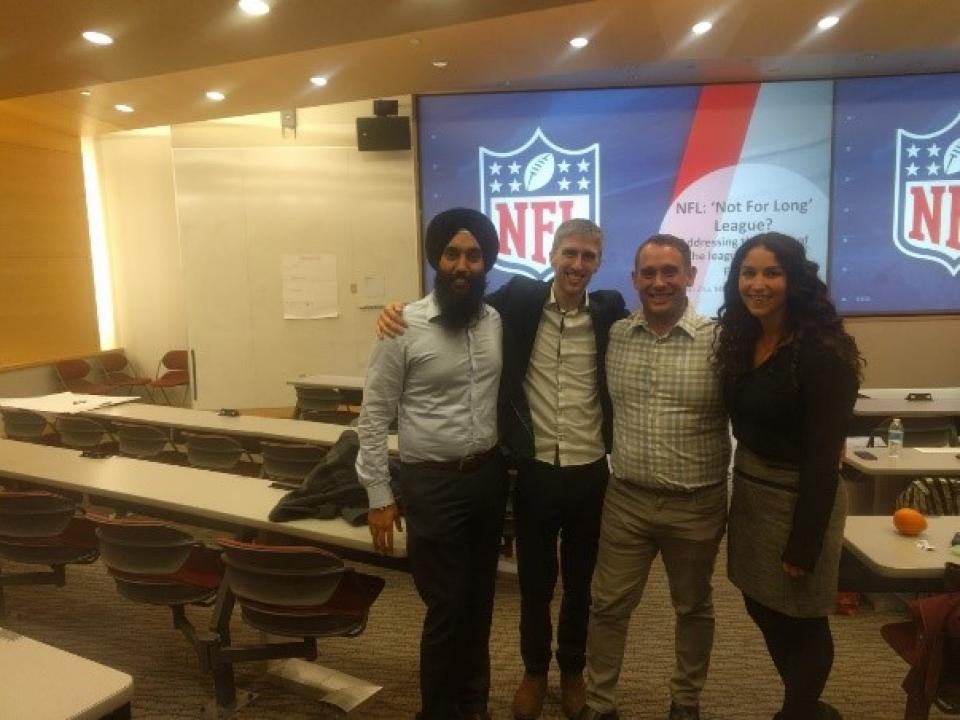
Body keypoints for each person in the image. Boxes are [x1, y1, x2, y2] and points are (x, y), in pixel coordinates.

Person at [378, 218, 627, 720]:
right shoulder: (517, 302)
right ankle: (535, 673)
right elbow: (455, 297)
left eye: (588, 257)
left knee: (582, 585)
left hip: (589, 471)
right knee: (535, 584)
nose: (577, 265)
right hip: (535, 470)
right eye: (569, 254)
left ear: (598, 264)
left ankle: (572, 672)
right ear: (553, 256)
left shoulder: (609, 314)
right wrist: (395, 310)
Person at [355, 207, 508, 720]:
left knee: (480, 601)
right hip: (431, 486)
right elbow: (373, 418)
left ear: (487, 263)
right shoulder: (401, 326)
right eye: (452, 254)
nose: (462, 265)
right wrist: (379, 497)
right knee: (447, 608)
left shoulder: (494, 322)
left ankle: (475, 704)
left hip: (486, 480)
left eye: (473, 255)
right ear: (435, 260)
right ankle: (437, 712)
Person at [578, 234, 730, 720]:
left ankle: (686, 701)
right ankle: (600, 703)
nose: (659, 282)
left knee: (693, 608)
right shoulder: (616, 335)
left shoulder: (720, 341)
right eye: (649, 273)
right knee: (607, 607)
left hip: (697, 504)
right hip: (627, 499)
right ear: (635, 280)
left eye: (670, 271)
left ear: (689, 275)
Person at [713, 232, 861, 720]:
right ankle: (807, 706)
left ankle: (799, 710)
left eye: (771, 273)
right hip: (753, 492)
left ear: (794, 279)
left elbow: (824, 458)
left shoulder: (824, 351)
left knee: (803, 617)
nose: (757, 284)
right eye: (748, 273)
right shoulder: (743, 337)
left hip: (803, 499)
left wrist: (805, 542)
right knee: (760, 604)